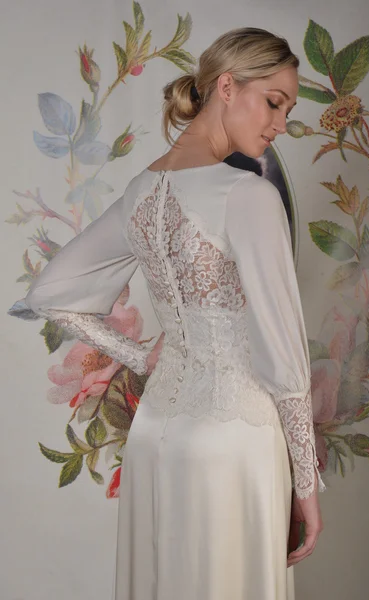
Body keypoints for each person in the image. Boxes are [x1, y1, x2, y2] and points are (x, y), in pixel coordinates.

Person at [11, 27, 325, 600]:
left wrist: (139, 355)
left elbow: (50, 289)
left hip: (156, 436)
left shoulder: (141, 191)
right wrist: (306, 483)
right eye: (274, 102)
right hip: (235, 439)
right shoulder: (247, 193)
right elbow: (283, 354)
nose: (280, 123)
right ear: (226, 87)